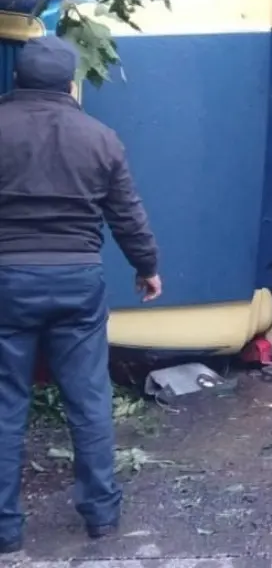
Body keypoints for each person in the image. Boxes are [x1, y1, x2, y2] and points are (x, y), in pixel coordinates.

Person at [0, 37, 162, 552]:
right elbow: (127, 213)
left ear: (17, 80)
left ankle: (5, 531)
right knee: (89, 401)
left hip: (8, 280)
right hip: (76, 278)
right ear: (70, 85)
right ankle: (100, 516)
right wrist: (147, 267)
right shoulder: (100, 137)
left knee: (6, 406)